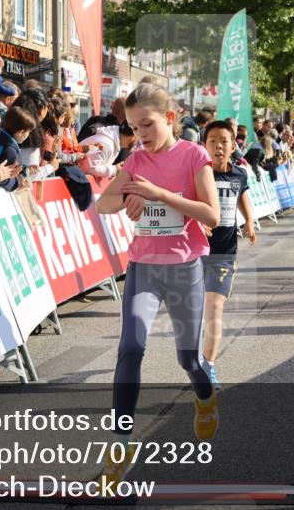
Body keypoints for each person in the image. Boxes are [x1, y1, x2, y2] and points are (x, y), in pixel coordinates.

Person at [94, 82, 221, 487]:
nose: (141, 134)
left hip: (184, 267)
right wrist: (130, 199)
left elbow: (211, 215)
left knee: (190, 360)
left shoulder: (193, 155)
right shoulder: (135, 161)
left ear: (169, 118)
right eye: (133, 127)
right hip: (144, 266)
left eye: (147, 124)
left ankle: (205, 398)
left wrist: (158, 195)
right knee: (130, 348)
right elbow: (104, 204)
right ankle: (120, 446)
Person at [200, 120, 256, 388]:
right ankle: (193, 360)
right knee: (190, 311)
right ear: (204, 145)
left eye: (224, 141)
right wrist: (196, 220)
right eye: (212, 141)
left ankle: (208, 365)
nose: (218, 146)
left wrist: (249, 221)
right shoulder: (198, 173)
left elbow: (242, 196)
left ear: (233, 146)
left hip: (223, 252)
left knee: (214, 307)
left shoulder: (239, 174)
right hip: (194, 251)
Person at [0, 106, 38, 192]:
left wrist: (24, 169)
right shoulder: (10, 150)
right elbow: (3, 178)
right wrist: (17, 183)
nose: (28, 135)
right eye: (28, 132)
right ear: (21, 132)